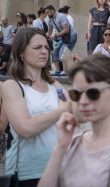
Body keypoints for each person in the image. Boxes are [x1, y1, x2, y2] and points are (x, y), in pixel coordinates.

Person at [38, 54, 110, 187]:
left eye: (93, 93)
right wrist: (59, 147)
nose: (83, 101)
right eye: (76, 94)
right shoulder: (73, 143)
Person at [1, 28, 70, 186]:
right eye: (37, 47)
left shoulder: (55, 84)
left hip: (58, 169)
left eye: (46, 47)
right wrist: (61, 110)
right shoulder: (13, 86)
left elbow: (73, 111)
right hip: (26, 174)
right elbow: (25, 129)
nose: (44, 51)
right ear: (21, 52)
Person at [45, 5, 78, 76]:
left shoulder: (61, 17)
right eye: (46, 13)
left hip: (71, 36)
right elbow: (49, 33)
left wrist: (55, 36)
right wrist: (42, 36)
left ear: (52, 10)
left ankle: (65, 71)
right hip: (63, 37)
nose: (47, 14)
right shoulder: (50, 20)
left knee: (63, 52)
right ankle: (57, 71)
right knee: (54, 52)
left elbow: (66, 30)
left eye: (48, 12)